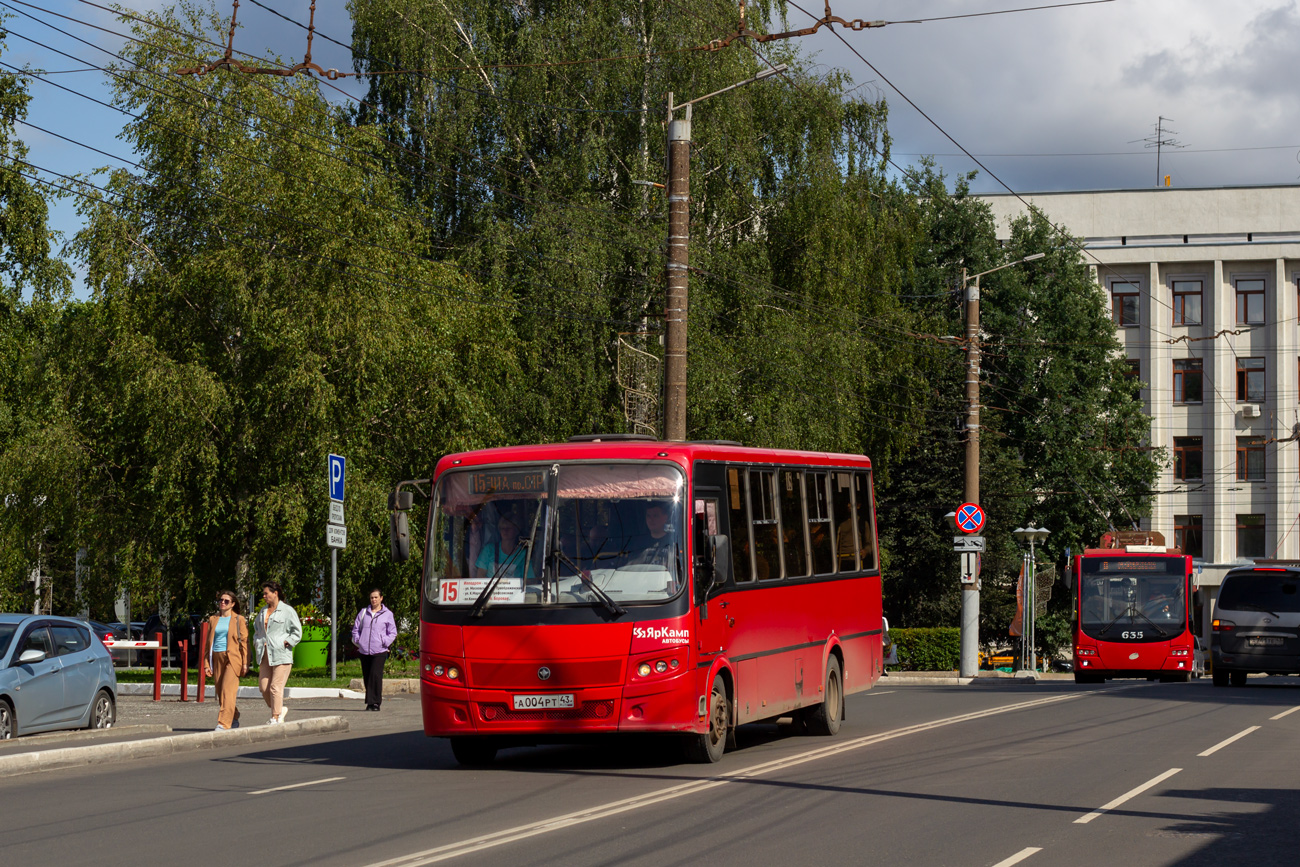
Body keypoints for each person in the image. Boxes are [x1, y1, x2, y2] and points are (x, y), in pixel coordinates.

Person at [252, 581, 301, 725]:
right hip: (264, 653)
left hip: (281, 653)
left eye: (266, 593)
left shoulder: (287, 610)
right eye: (264, 593)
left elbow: (297, 631)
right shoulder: (262, 612)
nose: (264, 596)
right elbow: (257, 630)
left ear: (275, 593)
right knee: (263, 687)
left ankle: (275, 716)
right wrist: (257, 642)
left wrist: (289, 641)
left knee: (275, 686)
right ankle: (279, 709)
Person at [203, 590, 249, 731]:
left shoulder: (238, 620)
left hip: (233, 658)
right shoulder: (213, 619)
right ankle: (233, 715)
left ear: (233, 604)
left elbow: (244, 643)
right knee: (220, 691)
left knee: (227, 691)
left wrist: (245, 663)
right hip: (217, 656)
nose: (222, 603)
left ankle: (223, 724)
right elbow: (208, 643)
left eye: (226, 601)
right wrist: (206, 664)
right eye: (221, 600)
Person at [352, 588, 397, 711]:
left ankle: (375, 702)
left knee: (375, 676)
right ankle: (370, 702)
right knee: (367, 676)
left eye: (376, 597)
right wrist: (358, 640)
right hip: (364, 650)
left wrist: (385, 642)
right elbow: (356, 629)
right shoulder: (363, 612)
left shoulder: (388, 614)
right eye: (372, 597)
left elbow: (392, 632)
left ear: (381, 598)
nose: (374, 600)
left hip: (379, 650)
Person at [474, 510, 530, 579]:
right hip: (490, 590)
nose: (504, 531)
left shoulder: (522, 553)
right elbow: (480, 576)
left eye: (508, 528)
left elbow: (529, 580)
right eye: (502, 528)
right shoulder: (488, 550)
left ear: (516, 530)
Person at [623, 502, 677, 569]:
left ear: (665, 518)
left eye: (655, 516)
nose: (651, 519)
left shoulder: (672, 543)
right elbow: (631, 567)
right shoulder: (638, 543)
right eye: (648, 515)